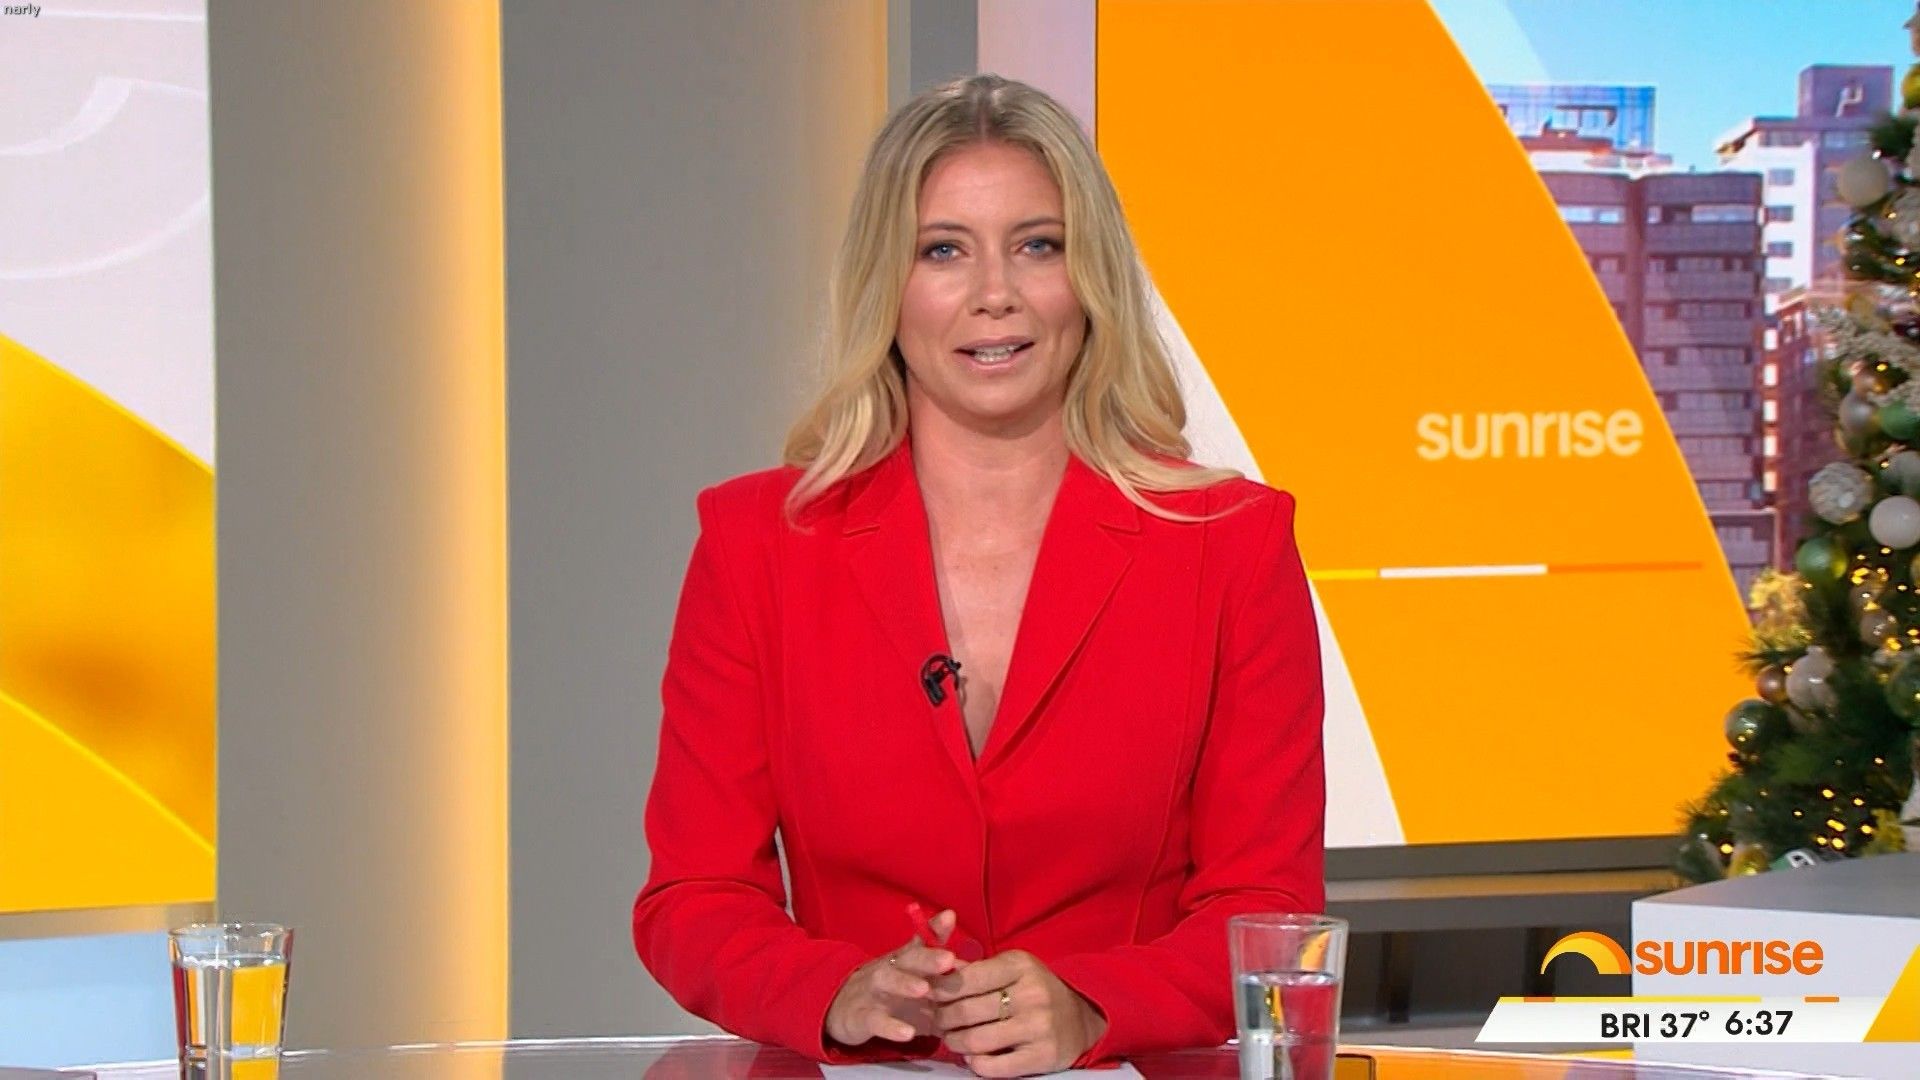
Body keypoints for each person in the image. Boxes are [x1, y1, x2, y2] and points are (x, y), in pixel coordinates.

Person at [632, 73, 1324, 1077]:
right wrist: (837, 989)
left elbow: (1268, 908)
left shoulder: (1231, 543)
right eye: (943, 250)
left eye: (1037, 246)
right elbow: (693, 898)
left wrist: (1093, 1004)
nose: (994, 292)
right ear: (887, 285)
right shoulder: (758, 545)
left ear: (1089, 278)